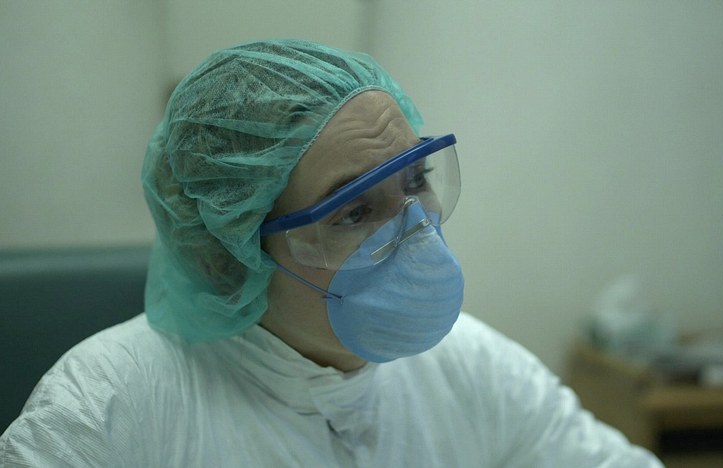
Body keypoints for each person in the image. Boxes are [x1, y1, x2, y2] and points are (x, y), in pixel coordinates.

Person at [0, 39, 662, 467]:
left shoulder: (470, 366)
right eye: (354, 212)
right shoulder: (107, 408)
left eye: (417, 179)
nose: (416, 228)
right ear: (230, 251)